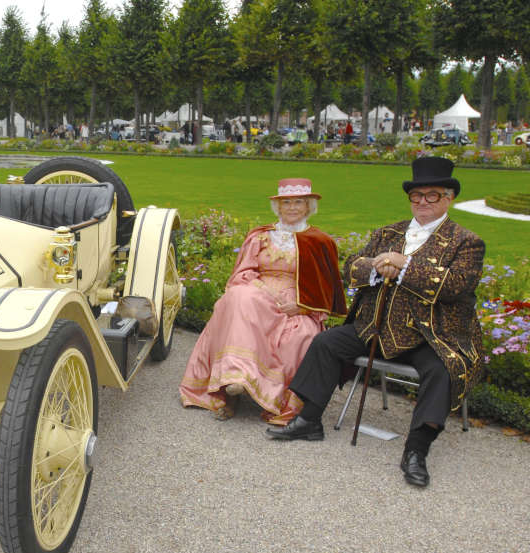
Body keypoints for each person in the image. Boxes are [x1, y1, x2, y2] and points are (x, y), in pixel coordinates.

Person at [267, 157, 484, 489]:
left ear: (448, 198)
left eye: (432, 196)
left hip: (430, 335)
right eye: (417, 196)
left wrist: (405, 265)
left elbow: (457, 285)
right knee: (326, 342)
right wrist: (374, 263)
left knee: (441, 371)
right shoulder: (388, 232)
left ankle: (416, 450)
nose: (423, 202)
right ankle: (310, 420)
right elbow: (351, 271)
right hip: (376, 328)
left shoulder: (466, 242)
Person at [180, 179, 347, 423]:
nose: (291, 207)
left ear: (309, 206)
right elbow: (243, 273)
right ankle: (232, 384)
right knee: (239, 298)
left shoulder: (321, 242)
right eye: (286, 202)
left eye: (298, 202)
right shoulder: (261, 236)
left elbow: (327, 290)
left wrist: (302, 306)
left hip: (298, 303)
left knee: (302, 335)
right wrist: (263, 291)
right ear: (278, 207)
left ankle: (275, 399)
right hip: (259, 293)